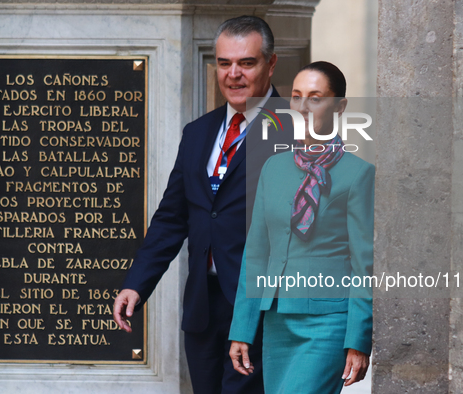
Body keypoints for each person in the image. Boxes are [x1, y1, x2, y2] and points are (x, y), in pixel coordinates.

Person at [113, 15, 291, 394]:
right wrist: (136, 284)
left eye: (247, 63)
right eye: (225, 63)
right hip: (202, 309)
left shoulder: (295, 130)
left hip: (261, 309)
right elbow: (172, 218)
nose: (233, 74)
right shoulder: (198, 133)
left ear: (271, 63)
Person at [228, 61, 374, 393]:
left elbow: (365, 265)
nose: (302, 107)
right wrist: (242, 328)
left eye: (315, 97)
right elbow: (257, 253)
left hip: (328, 323)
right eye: (296, 97)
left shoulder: (358, 174)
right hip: (278, 319)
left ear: (339, 107)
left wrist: (358, 339)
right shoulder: (273, 168)